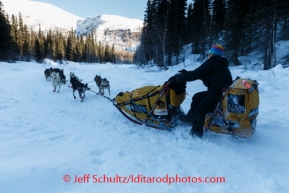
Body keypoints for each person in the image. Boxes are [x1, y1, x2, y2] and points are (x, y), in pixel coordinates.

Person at [167, 44, 233, 138]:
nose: (209, 55)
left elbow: (196, 74)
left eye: (210, 53)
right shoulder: (219, 63)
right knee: (197, 97)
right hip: (220, 93)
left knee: (200, 110)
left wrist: (177, 79)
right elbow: (200, 73)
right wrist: (186, 73)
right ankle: (190, 118)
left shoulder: (212, 62)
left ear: (212, 54)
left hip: (217, 93)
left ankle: (196, 134)